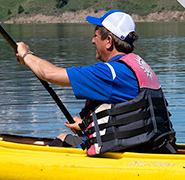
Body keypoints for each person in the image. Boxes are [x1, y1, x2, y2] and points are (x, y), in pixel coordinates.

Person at [15, 10, 176, 155]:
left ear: (108, 41)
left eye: (96, 35)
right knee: (64, 137)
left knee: (58, 143)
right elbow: (129, 115)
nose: (92, 41)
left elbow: (49, 74)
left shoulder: (109, 73)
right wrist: (87, 125)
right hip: (150, 146)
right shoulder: (139, 66)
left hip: (129, 153)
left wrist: (25, 55)